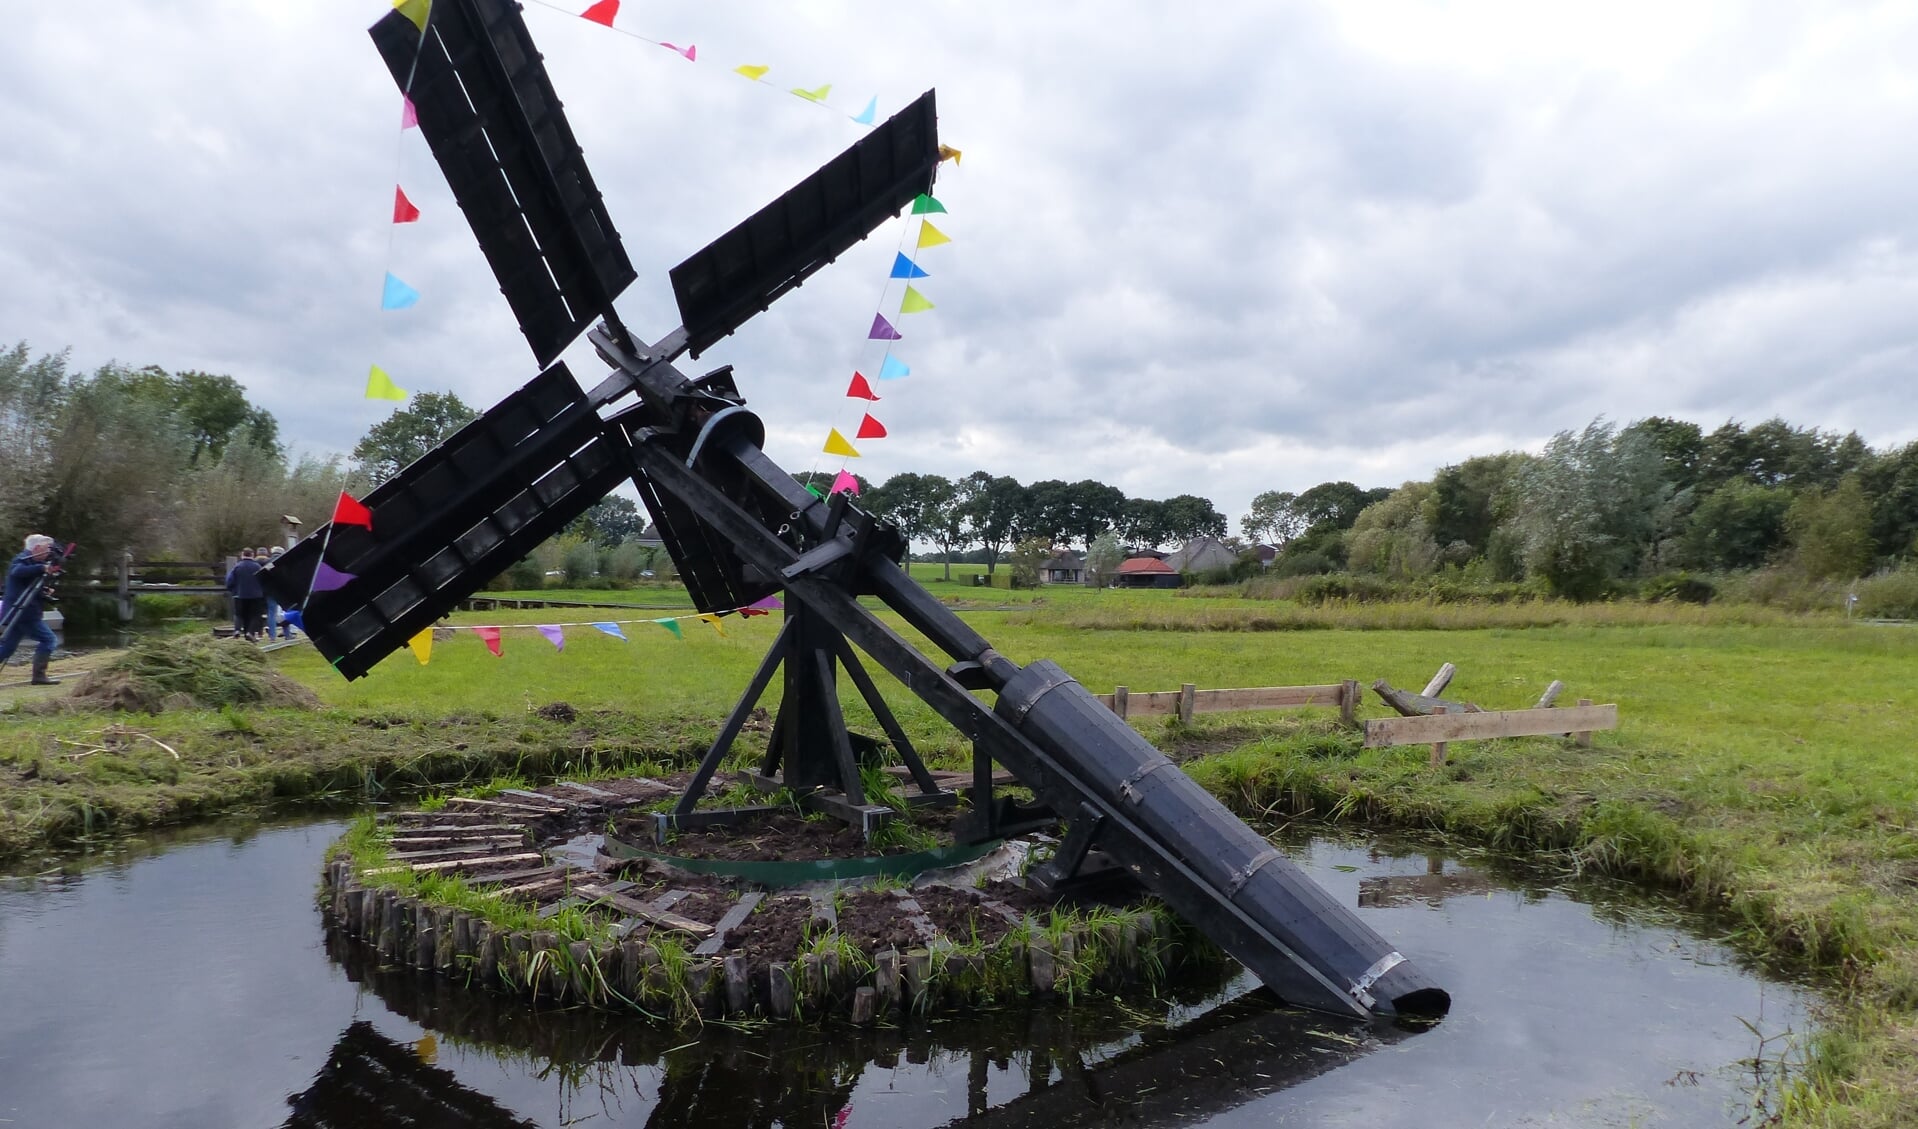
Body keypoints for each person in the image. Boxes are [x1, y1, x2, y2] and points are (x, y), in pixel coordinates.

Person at [0, 534, 64, 685]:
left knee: (8, 648)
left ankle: (39, 676)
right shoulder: (21, 559)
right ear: (36, 548)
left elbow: (26, 585)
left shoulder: (31, 561)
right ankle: (39, 676)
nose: (49, 552)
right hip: (23, 612)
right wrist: (42, 568)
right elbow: (17, 572)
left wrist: (44, 591)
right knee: (49, 640)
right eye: (47, 548)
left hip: (22, 612)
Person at [226, 547, 266, 642]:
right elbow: (264, 580)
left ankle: (237, 630)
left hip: (240, 595)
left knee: (239, 614)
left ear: (242, 555)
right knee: (255, 615)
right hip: (256, 595)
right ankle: (250, 632)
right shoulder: (257, 567)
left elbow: (229, 581)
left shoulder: (237, 566)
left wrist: (233, 590)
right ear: (252, 555)